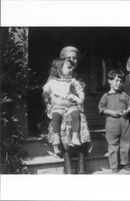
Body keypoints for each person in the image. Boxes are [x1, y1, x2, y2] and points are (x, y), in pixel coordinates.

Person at [43, 46, 91, 174]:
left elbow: (81, 97)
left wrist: (75, 100)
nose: (73, 60)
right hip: (59, 110)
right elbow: (49, 97)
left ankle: (82, 166)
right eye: (69, 58)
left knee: (81, 123)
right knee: (63, 126)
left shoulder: (78, 78)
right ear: (62, 59)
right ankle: (68, 165)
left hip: (75, 109)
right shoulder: (54, 77)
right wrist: (59, 102)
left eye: (75, 58)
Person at [98, 69, 130, 173]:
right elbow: (101, 108)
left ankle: (125, 162)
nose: (119, 83)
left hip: (124, 122)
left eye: (121, 81)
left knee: (125, 143)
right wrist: (111, 112)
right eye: (116, 80)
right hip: (112, 123)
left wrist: (126, 111)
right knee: (113, 145)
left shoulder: (124, 94)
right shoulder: (106, 96)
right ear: (109, 81)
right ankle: (114, 165)